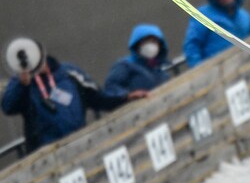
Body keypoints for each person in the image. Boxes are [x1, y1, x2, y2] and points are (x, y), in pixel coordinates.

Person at [1, 40, 147, 153]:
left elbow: (98, 97)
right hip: (45, 154)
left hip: (80, 144)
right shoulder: (23, 85)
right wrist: (22, 84)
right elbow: (8, 106)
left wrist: (125, 97)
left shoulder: (68, 73)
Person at [183, 0, 250, 68]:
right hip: (217, 73)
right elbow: (192, 46)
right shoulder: (203, 15)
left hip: (245, 68)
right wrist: (200, 72)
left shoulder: (244, 16)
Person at [104, 24, 170, 96]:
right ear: (137, 44)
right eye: (146, 41)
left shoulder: (160, 70)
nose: (151, 45)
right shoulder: (125, 65)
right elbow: (110, 87)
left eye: (154, 41)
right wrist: (128, 95)